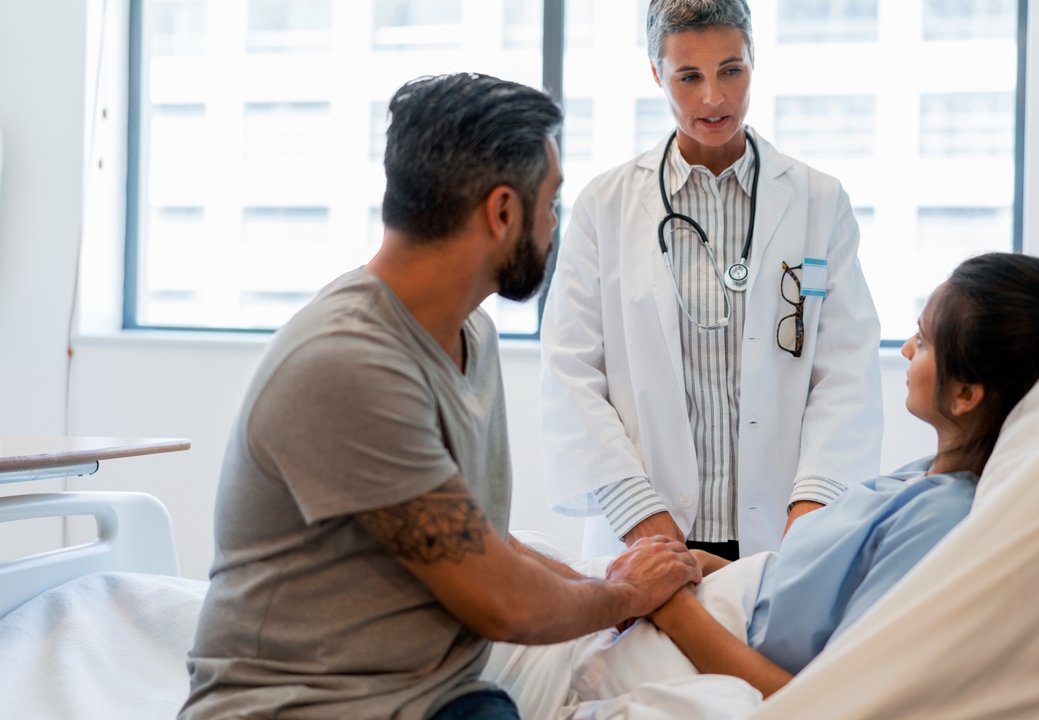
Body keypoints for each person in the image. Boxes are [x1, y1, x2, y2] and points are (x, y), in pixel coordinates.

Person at [180, 73, 700, 720]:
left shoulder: (469, 336)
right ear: (503, 211)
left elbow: (477, 542)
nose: (553, 224)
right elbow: (502, 604)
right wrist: (624, 597)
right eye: (552, 203)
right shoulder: (347, 363)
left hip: (435, 700)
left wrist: (615, 580)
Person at [646, 252, 1039, 698]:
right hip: (708, 604)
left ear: (964, 393)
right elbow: (806, 589)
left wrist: (671, 607)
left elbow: (822, 695)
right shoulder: (920, 477)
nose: (904, 349)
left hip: (702, 640)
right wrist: (709, 568)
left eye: (922, 342)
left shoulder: (941, 518)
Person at [540, 0, 883, 562]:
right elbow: (570, 371)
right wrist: (637, 512)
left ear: (754, 61)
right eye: (689, 76)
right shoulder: (606, 206)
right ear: (657, 73)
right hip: (647, 529)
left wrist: (814, 508)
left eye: (731, 70)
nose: (714, 99)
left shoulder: (819, 202)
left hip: (782, 527)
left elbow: (847, 371)